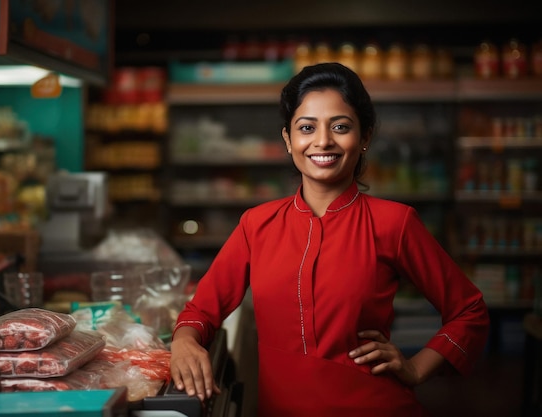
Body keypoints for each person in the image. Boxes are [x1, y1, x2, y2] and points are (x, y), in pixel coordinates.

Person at [169, 62, 490, 417]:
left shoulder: (394, 222)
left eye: (340, 127)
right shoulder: (256, 225)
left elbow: (468, 311)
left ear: (364, 137)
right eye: (307, 128)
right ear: (289, 140)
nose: (323, 141)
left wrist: (415, 368)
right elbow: (201, 311)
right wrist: (184, 342)